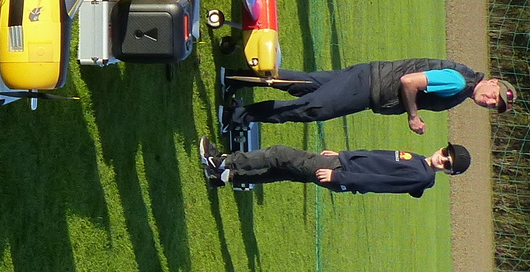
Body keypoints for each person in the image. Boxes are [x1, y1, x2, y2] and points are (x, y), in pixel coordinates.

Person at [226, 57, 514, 133]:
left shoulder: (463, 83)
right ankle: (239, 115)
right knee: (312, 108)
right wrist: (413, 116)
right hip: (368, 88)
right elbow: (409, 81)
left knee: (306, 83)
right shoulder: (458, 82)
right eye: (494, 96)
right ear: (492, 81)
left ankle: (236, 77)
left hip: (368, 76)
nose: (489, 102)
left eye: (494, 106)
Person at [198, 138, 470, 195]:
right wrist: (344, 154)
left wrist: (339, 176)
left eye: (448, 163)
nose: (443, 158)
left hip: (340, 172)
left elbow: (376, 182)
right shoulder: (420, 161)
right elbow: (374, 157)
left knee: (281, 154)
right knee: (284, 171)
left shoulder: (421, 176)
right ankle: (225, 177)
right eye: (446, 153)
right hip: (342, 163)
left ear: (449, 172)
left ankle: (219, 162)